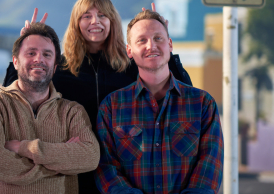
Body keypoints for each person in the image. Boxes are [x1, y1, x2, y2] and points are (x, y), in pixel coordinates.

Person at [2, 0, 192, 194]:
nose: (95, 21)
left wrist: (162, 38)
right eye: (86, 16)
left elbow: (181, 94)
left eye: (102, 15)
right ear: (76, 23)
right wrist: (25, 47)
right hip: (71, 169)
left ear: (112, 21)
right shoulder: (60, 67)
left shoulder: (132, 66)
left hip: (124, 172)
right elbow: (16, 98)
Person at [95, 10, 223, 194]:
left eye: (158, 38)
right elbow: (106, 167)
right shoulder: (111, 107)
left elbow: (210, 164)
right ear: (129, 50)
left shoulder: (203, 104)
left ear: (170, 44)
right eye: (142, 40)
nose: (151, 46)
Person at [0, 23, 100, 194]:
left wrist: (23, 148)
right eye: (31, 53)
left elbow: (89, 157)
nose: (39, 59)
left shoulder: (72, 112)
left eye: (47, 54)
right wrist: (59, 166)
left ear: (54, 68)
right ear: (15, 61)